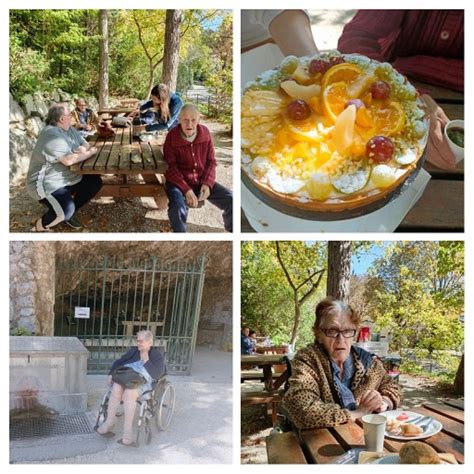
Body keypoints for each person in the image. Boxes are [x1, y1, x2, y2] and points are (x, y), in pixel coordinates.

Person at [283, 297, 400, 429]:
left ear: (354, 334)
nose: (341, 339)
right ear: (319, 335)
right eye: (332, 331)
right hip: (321, 442)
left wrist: (383, 402)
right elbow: (303, 410)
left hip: (364, 436)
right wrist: (357, 413)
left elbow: (392, 387)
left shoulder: (367, 361)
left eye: (347, 331)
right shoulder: (308, 360)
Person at [26, 103, 102, 231]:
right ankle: (40, 226)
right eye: (70, 114)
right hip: (48, 183)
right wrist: (90, 152)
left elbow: (85, 142)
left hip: (69, 178)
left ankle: (69, 213)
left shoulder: (69, 129)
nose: (72, 115)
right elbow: (68, 160)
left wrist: (82, 148)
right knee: (65, 211)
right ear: (61, 118)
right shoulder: (51, 134)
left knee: (94, 182)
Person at [163, 104, 233, 232]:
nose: (189, 124)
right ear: (179, 120)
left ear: (199, 120)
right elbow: (170, 169)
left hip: (201, 180)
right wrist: (186, 190)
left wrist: (207, 183)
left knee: (231, 199)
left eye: (193, 120)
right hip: (178, 183)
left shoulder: (205, 133)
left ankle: (232, 230)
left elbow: (211, 162)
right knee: (178, 209)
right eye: (185, 120)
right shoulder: (172, 137)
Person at [96, 330, 166, 447]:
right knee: (116, 387)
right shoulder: (134, 351)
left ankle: (127, 433)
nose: (138, 343)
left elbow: (157, 374)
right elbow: (120, 361)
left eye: (141, 341)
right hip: (128, 377)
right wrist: (111, 373)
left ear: (150, 342)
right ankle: (109, 422)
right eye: (137, 340)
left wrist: (146, 360)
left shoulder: (156, 355)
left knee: (129, 393)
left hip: (144, 382)